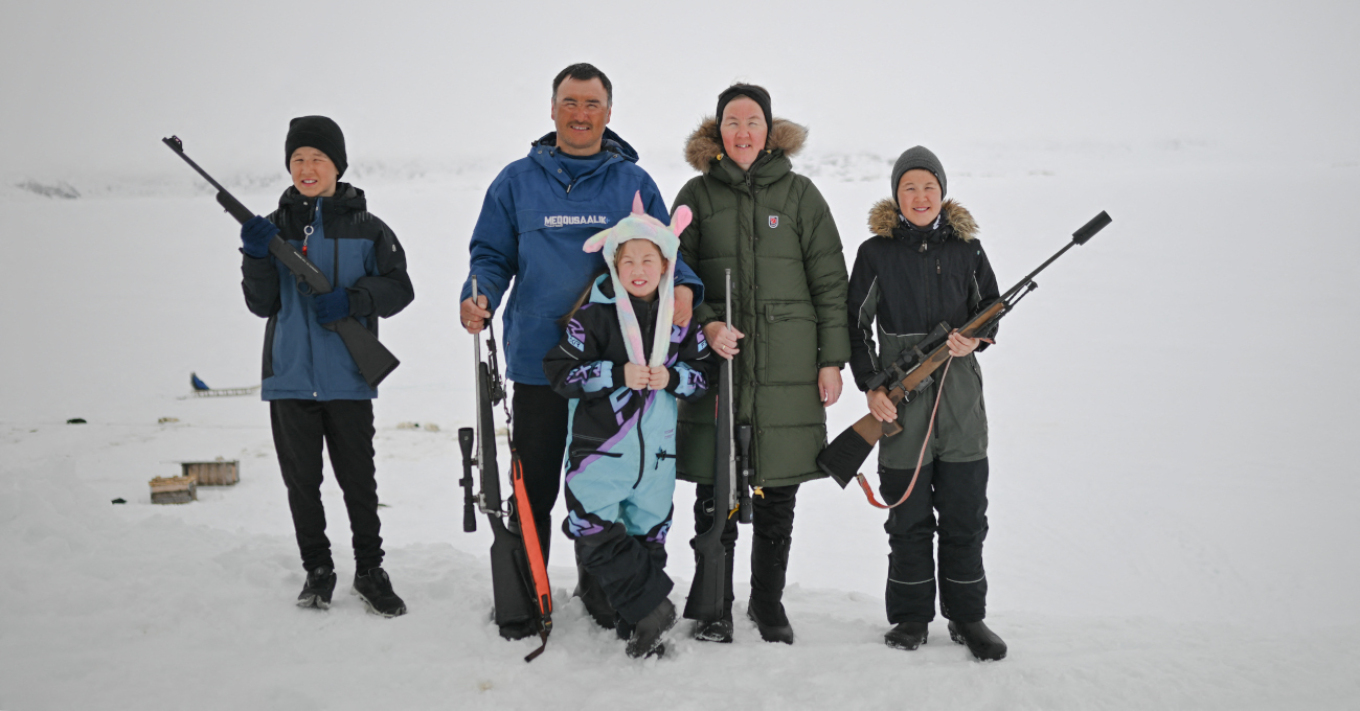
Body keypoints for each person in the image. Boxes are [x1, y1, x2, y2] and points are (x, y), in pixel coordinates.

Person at [458, 63, 704, 639]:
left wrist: (686, 285)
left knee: (607, 488)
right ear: (552, 109)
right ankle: (527, 594)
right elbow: (490, 256)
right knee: (534, 487)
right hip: (539, 366)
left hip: (618, 372)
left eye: (591, 103)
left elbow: (666, 249)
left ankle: (606, 596)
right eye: (570, 102)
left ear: (608, 113)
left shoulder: (631, 182)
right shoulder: (516, 181)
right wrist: (479, 296)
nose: (580, 113)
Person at [671, 83, 850, 644]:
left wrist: (832, 360)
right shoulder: (695, 196)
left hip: (788, 369)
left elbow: (829, 282)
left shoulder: (801, 196)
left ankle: (767, 603)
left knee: (778, 493)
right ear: (717, 131)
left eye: (753, 121)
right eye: (731, 121)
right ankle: (714, 604)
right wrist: (706, 323)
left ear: (769, 131)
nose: (743, 131)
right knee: (714, 491)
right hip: (718, 368)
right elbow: (677, 275)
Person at [238, 115, 415, 617]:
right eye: (297, 160)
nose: (307, 168)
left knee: (359, 482)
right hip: (290, 377)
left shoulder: (370, 228)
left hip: (349, 379)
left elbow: (401, 289)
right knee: (302, 484)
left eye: (317, 158)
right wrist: (254, 255)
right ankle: (317, 571)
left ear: (337, 165)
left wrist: (355, 301)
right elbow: (261, 302)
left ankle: (369, 570)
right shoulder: (271, 230)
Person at [846, 145, 1007, 661]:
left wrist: (975, 340)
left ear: (943, 193)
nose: (920, 196)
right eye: (910, 187)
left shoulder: (968, 250)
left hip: (960, 404)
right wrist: (872, 385)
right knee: (907, 520)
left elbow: (992, 309)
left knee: (965, 517)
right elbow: (854, 323)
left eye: (929, 187)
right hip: (901, 405)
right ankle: (912, 618)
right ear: (897, 194)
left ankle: (967, 618)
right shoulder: (875, 253)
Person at [543, 199, 717, 657]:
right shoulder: (593, 316)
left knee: (648, 535)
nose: (638, 269)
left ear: (665, 265)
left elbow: (703, 376)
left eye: (648, 260)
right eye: (628, 260)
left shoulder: (679, 323)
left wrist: (673, 378)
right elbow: (560, 372)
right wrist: (614, 374)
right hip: (601, 450)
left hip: (656, 456)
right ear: (614, 263)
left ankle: (642, 621)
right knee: (590, 524)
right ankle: (652, 608)